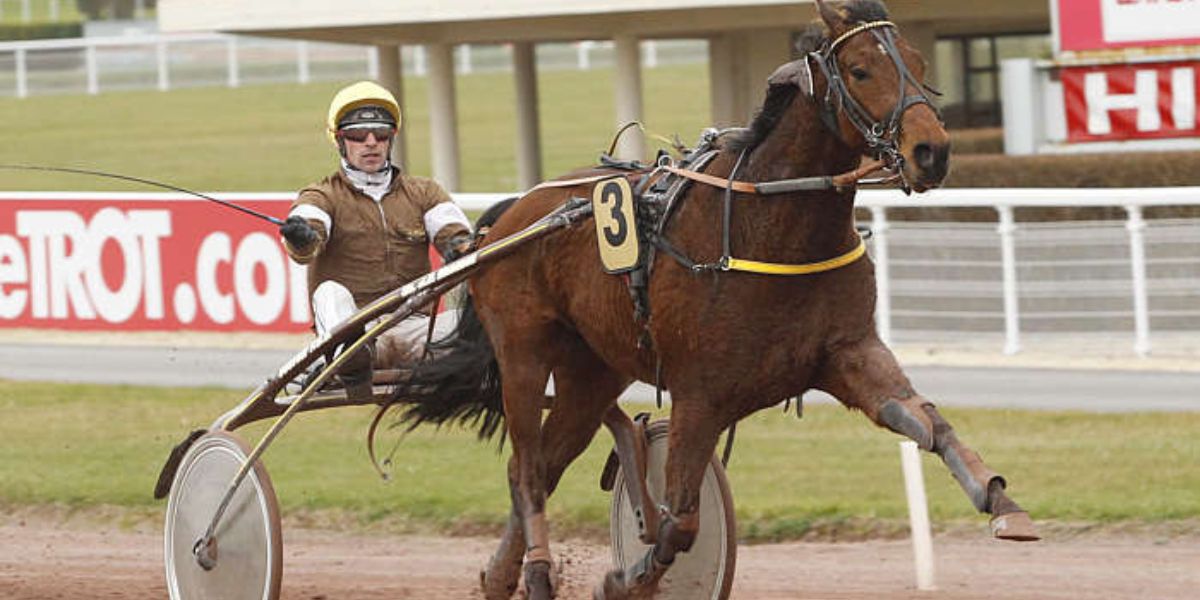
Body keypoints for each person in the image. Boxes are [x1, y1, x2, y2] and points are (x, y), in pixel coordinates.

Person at [279, 80, 472, 400]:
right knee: (329, 293)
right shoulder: (322, 195)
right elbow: (309, 237)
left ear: (391, 139)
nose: (370, 143)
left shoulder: (425, 192)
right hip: (360, 332)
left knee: (485, 315)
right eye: (358, 135)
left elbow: (457, 237)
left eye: (380, 134)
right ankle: (349, 355)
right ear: (340, 141)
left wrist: (462, 248)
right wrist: (303, 238)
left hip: (419, 333)